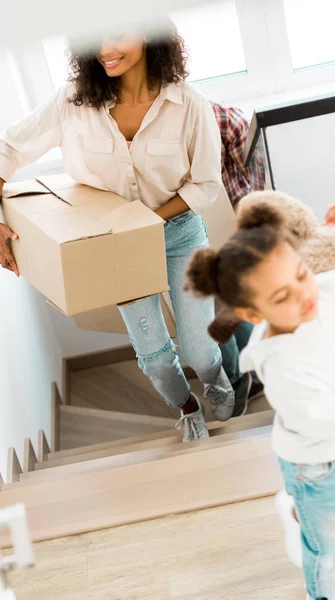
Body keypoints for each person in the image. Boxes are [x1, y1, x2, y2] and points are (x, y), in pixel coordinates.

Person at [0, 24, 235, 441]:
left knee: (200, 351)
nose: (105, 50)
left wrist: (150, 222)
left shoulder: (188, 104)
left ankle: (216, 378)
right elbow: (8, 148)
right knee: (157, 359)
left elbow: (205, 185)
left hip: (179, 232)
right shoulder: (71, 102)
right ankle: (187, 406)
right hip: (117, 247)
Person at [186, 196, 335, 600]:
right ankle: (322, 592)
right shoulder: (284, 368)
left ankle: (298, 512)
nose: (305, 295)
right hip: (318, 466)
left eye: (302, 273)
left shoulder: (331, 286)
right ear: (251, 314)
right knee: (327, 549)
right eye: (282, 297)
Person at [212, 101, 265, 413]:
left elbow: (249, 186)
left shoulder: (222, 119)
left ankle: (236, 380)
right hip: (204, 227)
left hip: (227, 228)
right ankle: (250, 374)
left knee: (217, 313)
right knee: (224, 308)